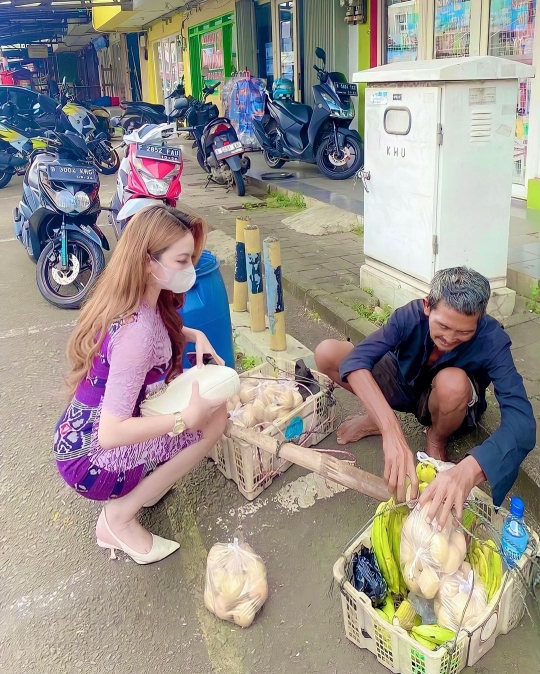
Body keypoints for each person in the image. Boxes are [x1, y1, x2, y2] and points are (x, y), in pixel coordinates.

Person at [54, 205, 228, 565]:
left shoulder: (132, 300)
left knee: (204, 409)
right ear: (150, 262)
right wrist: (183, 418)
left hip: (75, 440)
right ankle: (119, 517)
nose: (189, 270)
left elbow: (158, 332)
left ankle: (142, 488)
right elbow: (111, 433)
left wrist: (195, 334)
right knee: (214, 418)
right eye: (182, 260)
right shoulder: (137, 334)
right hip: (92, 461)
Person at [315, 267, 536, 528]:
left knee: (452, 383)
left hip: (448, 403)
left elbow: (522, 423)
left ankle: (436, 437)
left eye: (464, 332)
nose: (450, 338)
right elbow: (356, 359)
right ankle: (376, 418)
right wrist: (391, 430)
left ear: (480, 319)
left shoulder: (492, 339)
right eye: (442, 326)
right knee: (327, 353)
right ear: (427, 307)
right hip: (404, 384)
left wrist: (468, 471)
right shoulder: (409, 315)